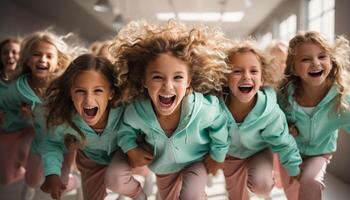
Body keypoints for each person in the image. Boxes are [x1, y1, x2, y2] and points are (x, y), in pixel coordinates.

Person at [111, 20, 230, 200]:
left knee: (192, 196)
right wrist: (131, 149)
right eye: (157, 77)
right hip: (163, 167)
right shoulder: (136, 111)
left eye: (178, 77)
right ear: (144, 80)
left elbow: (221, 129)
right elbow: (125, 130)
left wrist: (217, 157)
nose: (168, 86)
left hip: (195, 162)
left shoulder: (205, 109)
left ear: (189, 81)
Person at [41, 54, 151, 200]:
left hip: (126, 154)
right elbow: (52, 143)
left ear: (111, 93)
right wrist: (52, 173)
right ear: (70, 93)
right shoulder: (67, 119)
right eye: (80, 91)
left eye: (98, 91)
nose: (89, 100)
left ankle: (139, 192)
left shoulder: (125, 110)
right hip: (92, 161)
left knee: (117, 179)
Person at [0, 30, 79, 200]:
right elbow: (4, 100)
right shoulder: (19, 87)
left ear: (58, 62)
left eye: (49, 56)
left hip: (66, 142)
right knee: (32, 180)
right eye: (37, 54)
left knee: (60, 185)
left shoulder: (64, 86)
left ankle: (72, 183)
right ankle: (28, 190)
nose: (43, 59)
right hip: (41, 140)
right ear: (27, 60)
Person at [221, 39, 302, 200]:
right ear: (225, 77)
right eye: (237, 71)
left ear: (263, 78)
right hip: (230, 154)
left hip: (259, 150)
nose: (246, 77)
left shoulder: (269, 110)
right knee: (236, 196)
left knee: (262, 185)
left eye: (253, 71)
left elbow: (283, 141)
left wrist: (294, 169)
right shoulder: (215, 106)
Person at [277, 31, 350, 200]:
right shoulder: (283, 96)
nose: (315, 63)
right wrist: (285, 128)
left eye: (322, 56)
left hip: (319, 153)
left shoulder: (342, 97)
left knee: (312, 182)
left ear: (331, 61)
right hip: (289, 153)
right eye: (305, 59)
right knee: (294, 196)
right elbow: (273, 121)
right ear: (294, 68)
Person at [0, 37, 28, 186]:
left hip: (25, 131)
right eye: (5, 52)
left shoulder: (26, 81)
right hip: (5, 133)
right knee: (5, 179)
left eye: (14, 52)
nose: (10, 56)